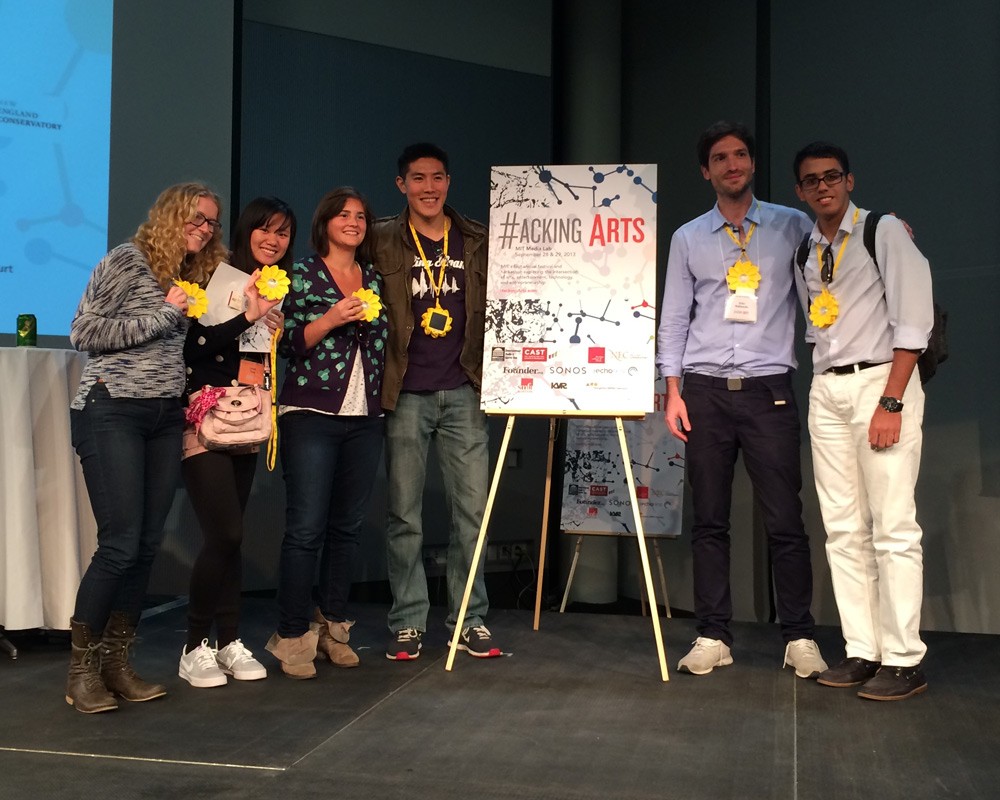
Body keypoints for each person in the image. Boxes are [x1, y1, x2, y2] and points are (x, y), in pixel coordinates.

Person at [656, 122, 827, 678]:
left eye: (742, 155)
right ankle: (713, 634)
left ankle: (799, 635)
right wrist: (672, 391)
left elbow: (830, 277)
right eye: (721, 158)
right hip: (703, 391)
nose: (733, 164)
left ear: (752, 164)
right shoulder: (688, 237)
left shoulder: (791, 224)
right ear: (705, 171)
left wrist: (887, 231)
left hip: (768, 391)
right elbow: (676, 317)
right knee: (709, 520)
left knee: (785, 520)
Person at [67, 182, 228, 713]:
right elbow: (82, 331)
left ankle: (117, 664)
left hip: (164, 416)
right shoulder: (127, 260)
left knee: (145, 545)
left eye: (211, 223)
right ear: (172, 214)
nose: (205, 229)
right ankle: (81, 673)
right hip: (111, 407)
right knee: (119, 543)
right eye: (197, 218)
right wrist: (164, 314)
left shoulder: (190, 275)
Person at [792, 142, 933, 701]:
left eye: (831, 177)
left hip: (881, 381)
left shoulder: (883, 232)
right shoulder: (807, 247)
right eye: (811, 181)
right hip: (827, 388)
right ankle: (862, 650)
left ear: (849, 181)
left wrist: (892, 402)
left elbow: (914, 322)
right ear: (801, 191)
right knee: (843, 529)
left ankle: (903, 658)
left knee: (893, 526)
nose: (823, 187)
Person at [374, 142, 499, 660]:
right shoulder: (381, 239)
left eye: (438, 177)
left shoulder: (476, 238)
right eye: (418, 178)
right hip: (403, 391)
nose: (430, 187)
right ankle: (408, 619)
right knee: (405, 514)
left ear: (449, 182)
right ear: (401, 185)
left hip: (463, 389)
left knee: (471, 511)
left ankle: (469, 618)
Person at [265, 187, 388, 679]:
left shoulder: (374, 276)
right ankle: (293, 635)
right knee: (306, 529)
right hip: (312, 412)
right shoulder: (299, 274)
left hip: (365, 416)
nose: (354, 222)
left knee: (347, 528)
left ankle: (333, 624)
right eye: (344, 215)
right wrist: (332, 317)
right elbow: (289, 342)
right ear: (325, 223)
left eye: (361, 215)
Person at [177, 197, 295, 688]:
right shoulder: (217, 276)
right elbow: (195, 346)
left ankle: (228, 642)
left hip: (247, 415)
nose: (273, 240)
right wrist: (248, 316)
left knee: (235, 536)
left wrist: (273, 328)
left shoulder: (278, 288)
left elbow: (260, 355)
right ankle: (193, 646)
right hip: (205, 416)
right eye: (266, 230)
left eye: (284, 233)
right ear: (247, 231)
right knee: (223, 534)